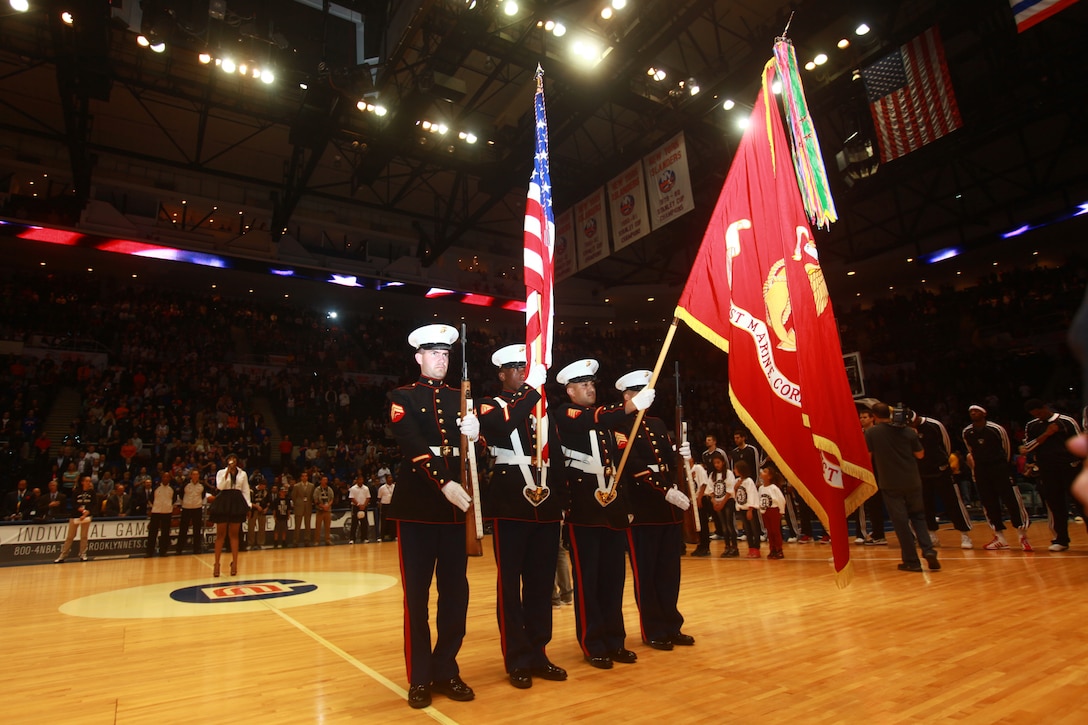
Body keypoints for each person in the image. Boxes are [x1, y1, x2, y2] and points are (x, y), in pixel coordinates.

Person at [385, 324, 479, 709]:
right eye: (434, 353)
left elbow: (476, 451)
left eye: (446, 354)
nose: (441, 359)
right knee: (418, 600)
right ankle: (420, 677)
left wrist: (478, 434)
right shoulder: (401, 397)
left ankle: (446, 668)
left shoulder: (462, 397)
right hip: (419, 512)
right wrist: (442, 482)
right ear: (418, 358)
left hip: (456, 515)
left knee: (455, 597)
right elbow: (410, 442)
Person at [476, 343, 568, 689]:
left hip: (545, 503)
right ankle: (516, 657)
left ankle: (539, 652)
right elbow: (503, 425)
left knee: (542, 584)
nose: (524, 374)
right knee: (510, 586)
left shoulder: (542, 409)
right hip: (511, 501)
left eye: (527, 369)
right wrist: (533, 389)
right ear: (502, 374)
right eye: (518, 369)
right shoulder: (489, 404)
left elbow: (555, 456)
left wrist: (563, 500)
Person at [555, 358, 653, 670]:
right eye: (583, 385)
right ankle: (592, 642)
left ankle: (615, 640)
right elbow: (592, 419)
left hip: (612, 508)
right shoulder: (566, 413)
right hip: (584, 508)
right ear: (570, 391)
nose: (590, 388)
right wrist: (629, 406)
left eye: (592, 383)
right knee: (589, 581)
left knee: (613, 579)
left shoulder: (610, 422)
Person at [615, 369, 695, 652]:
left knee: (669, 572)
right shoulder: (621, 426)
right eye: (639, 391)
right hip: (644, 509)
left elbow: (668, 460)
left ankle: (672, 625)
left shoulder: (658, 423)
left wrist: (682, 454)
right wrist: (666, 491)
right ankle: (653, 628)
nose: (646, 396)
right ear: (627, 396)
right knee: (646, 574)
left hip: (668, 511)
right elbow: (633, 467)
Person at [865, 403, 939, 572]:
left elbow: (867, 457)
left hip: (890, 483)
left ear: (874, 416)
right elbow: (920, 454)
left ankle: (911, 560)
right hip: (912, 480)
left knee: (901, 523)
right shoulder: (908, 431)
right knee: (919, 517)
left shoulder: (872, 433)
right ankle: (928, 550)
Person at [962, 405, 1031, 551]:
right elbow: (970, 450)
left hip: (1000, 468)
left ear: (984, 413)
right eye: (971, 412)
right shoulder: (967, 432)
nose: (973, 413)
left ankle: (1022, 536)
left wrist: (1003, 466)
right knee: (988, 503)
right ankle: (999, 537)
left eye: (976, 411)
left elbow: (1006, 449)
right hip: (981, 469)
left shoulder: (996, 429)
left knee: (1012, 501)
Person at [1020, 399, 1083, 551]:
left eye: (1040, 413)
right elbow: (1026, 447)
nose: (1039, 416)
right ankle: (1061, 540)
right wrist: (1047, 434)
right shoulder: (1032, 425)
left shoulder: (1067, 421)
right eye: (1035, 415)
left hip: (1070, 468)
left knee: (1082, 503)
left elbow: (1081, 443)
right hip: (1047, 470)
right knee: (1055, 505)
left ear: (1045, 407)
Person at [909, 411, 974, 549]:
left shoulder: (934, 425)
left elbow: (947, 444)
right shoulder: (907, 430)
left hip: (941, 470)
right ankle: (931, 534)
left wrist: (943, 462)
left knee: (953, 502)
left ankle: (965, 534)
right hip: (922, 472)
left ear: (916, 419)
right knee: (926, 505)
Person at [209, 454, 251, 577]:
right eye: (230, 460)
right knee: (220, 534)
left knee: (234, 534)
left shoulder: (242, 474)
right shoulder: (221, 472)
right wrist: (228, 471)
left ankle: (235, 564)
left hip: (237, 502)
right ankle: (217, 563)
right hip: (224, 500)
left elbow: (245, 490)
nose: (232, 462)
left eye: (234, 460)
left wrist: (248, 506)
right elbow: (220, 486)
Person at [55, 476, 99, 563]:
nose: (88, 483)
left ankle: (83, 554)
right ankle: (63, 555)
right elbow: (73, 503)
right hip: (75, 516)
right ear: (82, 482)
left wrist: (86, 513)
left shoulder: (92, 492)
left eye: (89, 481)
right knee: (70, 536)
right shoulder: (76, 491)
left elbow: (94, 504)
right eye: (86, 481)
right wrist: (80, 509)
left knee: (84, 536)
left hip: (87, 516)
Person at [758, 464, 787, 559]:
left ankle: (779, 550)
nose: (762, 472)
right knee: (769, 532)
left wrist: (781, 511)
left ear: (769, 476)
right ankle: (772, 549)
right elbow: (760, 500)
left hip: (774, 510)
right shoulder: (761, 488)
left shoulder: (774, 488)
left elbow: (781, 500)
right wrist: (761, 510)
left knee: (775, 531)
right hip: (765, 512)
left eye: (765, 471)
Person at [733, 460, 760, 558]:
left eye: (735, 469)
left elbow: (752, 494)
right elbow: (736, 495)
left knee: (754, 529)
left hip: (750, 508)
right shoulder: (737, 481)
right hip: (742, 508)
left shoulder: (749, 481)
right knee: (747, 530)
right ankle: (751, 548)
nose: (734, 470)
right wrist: (736, 488)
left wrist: (750, 509)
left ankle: (756, 549)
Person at [146, 472, 176, 557]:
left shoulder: (172, 489)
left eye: (167, 477)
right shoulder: (156, 488)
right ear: (161, 478)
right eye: (164, 477)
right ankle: (149, 552)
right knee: (152, 533)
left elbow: (173, 500)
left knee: (165, 533)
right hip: (156, 512)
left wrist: (168, 506)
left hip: (167, 512)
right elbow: (151, 499)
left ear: (169, 478)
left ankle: (163, 551)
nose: (166, 478)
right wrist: (155, 507)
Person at [177, 469, 206, 554]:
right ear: (191, 476)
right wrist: (185, 504)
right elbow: (181, 495)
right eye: (194, 474)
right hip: (186, 508)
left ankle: (197, 549)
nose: (195, 476)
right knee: (183, 529)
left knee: (197, 530)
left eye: (197, 474)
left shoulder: (201, 486)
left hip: (197, 509)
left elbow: (203, 496)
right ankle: (179, 549)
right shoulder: (186, 485)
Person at [291, 471, 314, 547]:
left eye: (306, 476)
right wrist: (298, 503)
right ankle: (295, 541)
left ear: (307, 477)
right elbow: (293, 497)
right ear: (301, 477)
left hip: (308, 507)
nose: (304, 477)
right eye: (303, 476)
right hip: (299, 507)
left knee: (308, 525)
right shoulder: (296, 486)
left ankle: (307, 541)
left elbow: (312, 497)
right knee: (297, 526)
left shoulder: (311, 486)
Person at [248, 476, 270, 550]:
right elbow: (249, 502)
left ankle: (260, 543)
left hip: (262, 511)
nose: (264, 487)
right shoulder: (252, 490)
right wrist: (257, 507)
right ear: (260, 485)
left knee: (262, 527)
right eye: (263, 486)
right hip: (253, 511)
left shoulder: (266, 491)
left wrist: (266, 509)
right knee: (251, 527)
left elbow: (268, 502)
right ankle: (251, 543)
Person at [348, 474, 371, 544]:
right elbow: (351, 497)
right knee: (354, 523)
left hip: (364, 507)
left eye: (362, 479)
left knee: (364, 523)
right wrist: (358, 504)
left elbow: (368, 497)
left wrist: (364, 505)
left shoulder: (366, 488)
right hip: (355, 507)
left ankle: (364, 538)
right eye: (359, 479)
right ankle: (352, 539)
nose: (361, 481)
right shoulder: (353, 488)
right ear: (357, 480)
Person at [313, 474, 335, 545]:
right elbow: (315, 500)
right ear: (321, 481)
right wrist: (322, 506)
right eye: (324, 480)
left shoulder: (329, 489)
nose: (325, 481)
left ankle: (327, 540)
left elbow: (332, 499)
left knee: (327, 527)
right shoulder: (317, 489)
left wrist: (328, 505)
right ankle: (317, 541)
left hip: (328, 510)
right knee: (318, 527)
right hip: (320, 510)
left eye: (326, 480)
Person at [272, 482, 292, 548]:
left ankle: (284, 542)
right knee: (277, 530)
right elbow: (274, 509)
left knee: (284, 530)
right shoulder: (276, 500)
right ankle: (275, 542)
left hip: (284, 516)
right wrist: (274, 516)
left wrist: (288, 515)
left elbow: (288, 509)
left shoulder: (287, 500)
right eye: (282, 491)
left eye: (284, 491)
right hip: (278, 516)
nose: (283, 493)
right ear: (279, 492)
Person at [377, 476, 395, 541]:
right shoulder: (382, 488)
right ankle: (381, 537)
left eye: (391, 478)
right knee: (383, 521)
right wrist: (379, 504)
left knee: (392, 521)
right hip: (385, 505)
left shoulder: (395, 486)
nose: (391, 479)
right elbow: (379, 498)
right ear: (386, 479)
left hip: (392, 505)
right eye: (389, 478)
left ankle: (393, 536)